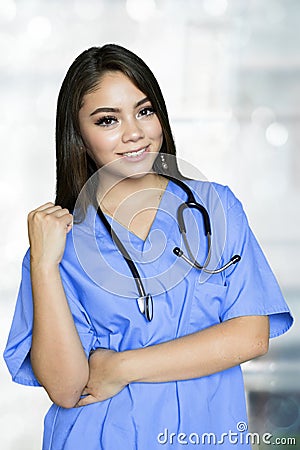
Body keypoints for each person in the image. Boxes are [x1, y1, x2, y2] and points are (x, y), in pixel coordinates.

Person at [4, 44, 293, 449]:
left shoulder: (213, 209)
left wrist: (120, 365)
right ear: (79, 136)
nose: (134, 132)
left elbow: (250, 338)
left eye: (144, 111)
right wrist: (45, 266)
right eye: (108, 120)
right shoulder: (60, 244)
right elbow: (67, 389)